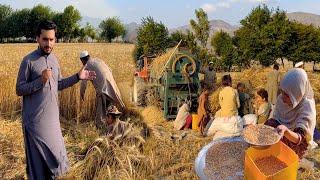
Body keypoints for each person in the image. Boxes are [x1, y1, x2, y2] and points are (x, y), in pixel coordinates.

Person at [16, 20, 96, 179]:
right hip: (34, 123)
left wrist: (77, 77)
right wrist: (40, 81)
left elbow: (58, 84)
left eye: (51, 39)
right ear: (37, 38)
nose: (48, 43)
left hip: (52, 121)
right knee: (39, 169)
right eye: (45, 39)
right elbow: (19, 89)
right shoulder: (28, 61)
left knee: (60, 162)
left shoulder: (54, 60)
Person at [265, 68, 316, 159]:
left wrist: (287, 132)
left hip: (296, 139)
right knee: (269, 125)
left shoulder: (306, 106)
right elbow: (275, 118)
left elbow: (302, 138)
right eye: (282, 92)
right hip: (282, 131)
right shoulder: (281, 98)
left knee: (290, 152)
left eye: (287, 95)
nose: (283, 98)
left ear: (297, 93)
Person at [79, 50, 125, 129]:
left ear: (82, 60)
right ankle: (116, 127)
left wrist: (82, 94)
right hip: (112, 87)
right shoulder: (98, 60)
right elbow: (110, 70)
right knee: (111, 110)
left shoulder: (86, 66)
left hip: (103, 90)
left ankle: (101, 130)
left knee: (100, 115)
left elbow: (83, 83)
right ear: (89, 56)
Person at [204, 75, 243, 139]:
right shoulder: (235, 91)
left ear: (223, 82)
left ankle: (205, 132)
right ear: (230, 82)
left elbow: (221, 105)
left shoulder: (221, 92)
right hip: (234, 117)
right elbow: (238, 105)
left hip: (224, 117)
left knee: (214, 117)